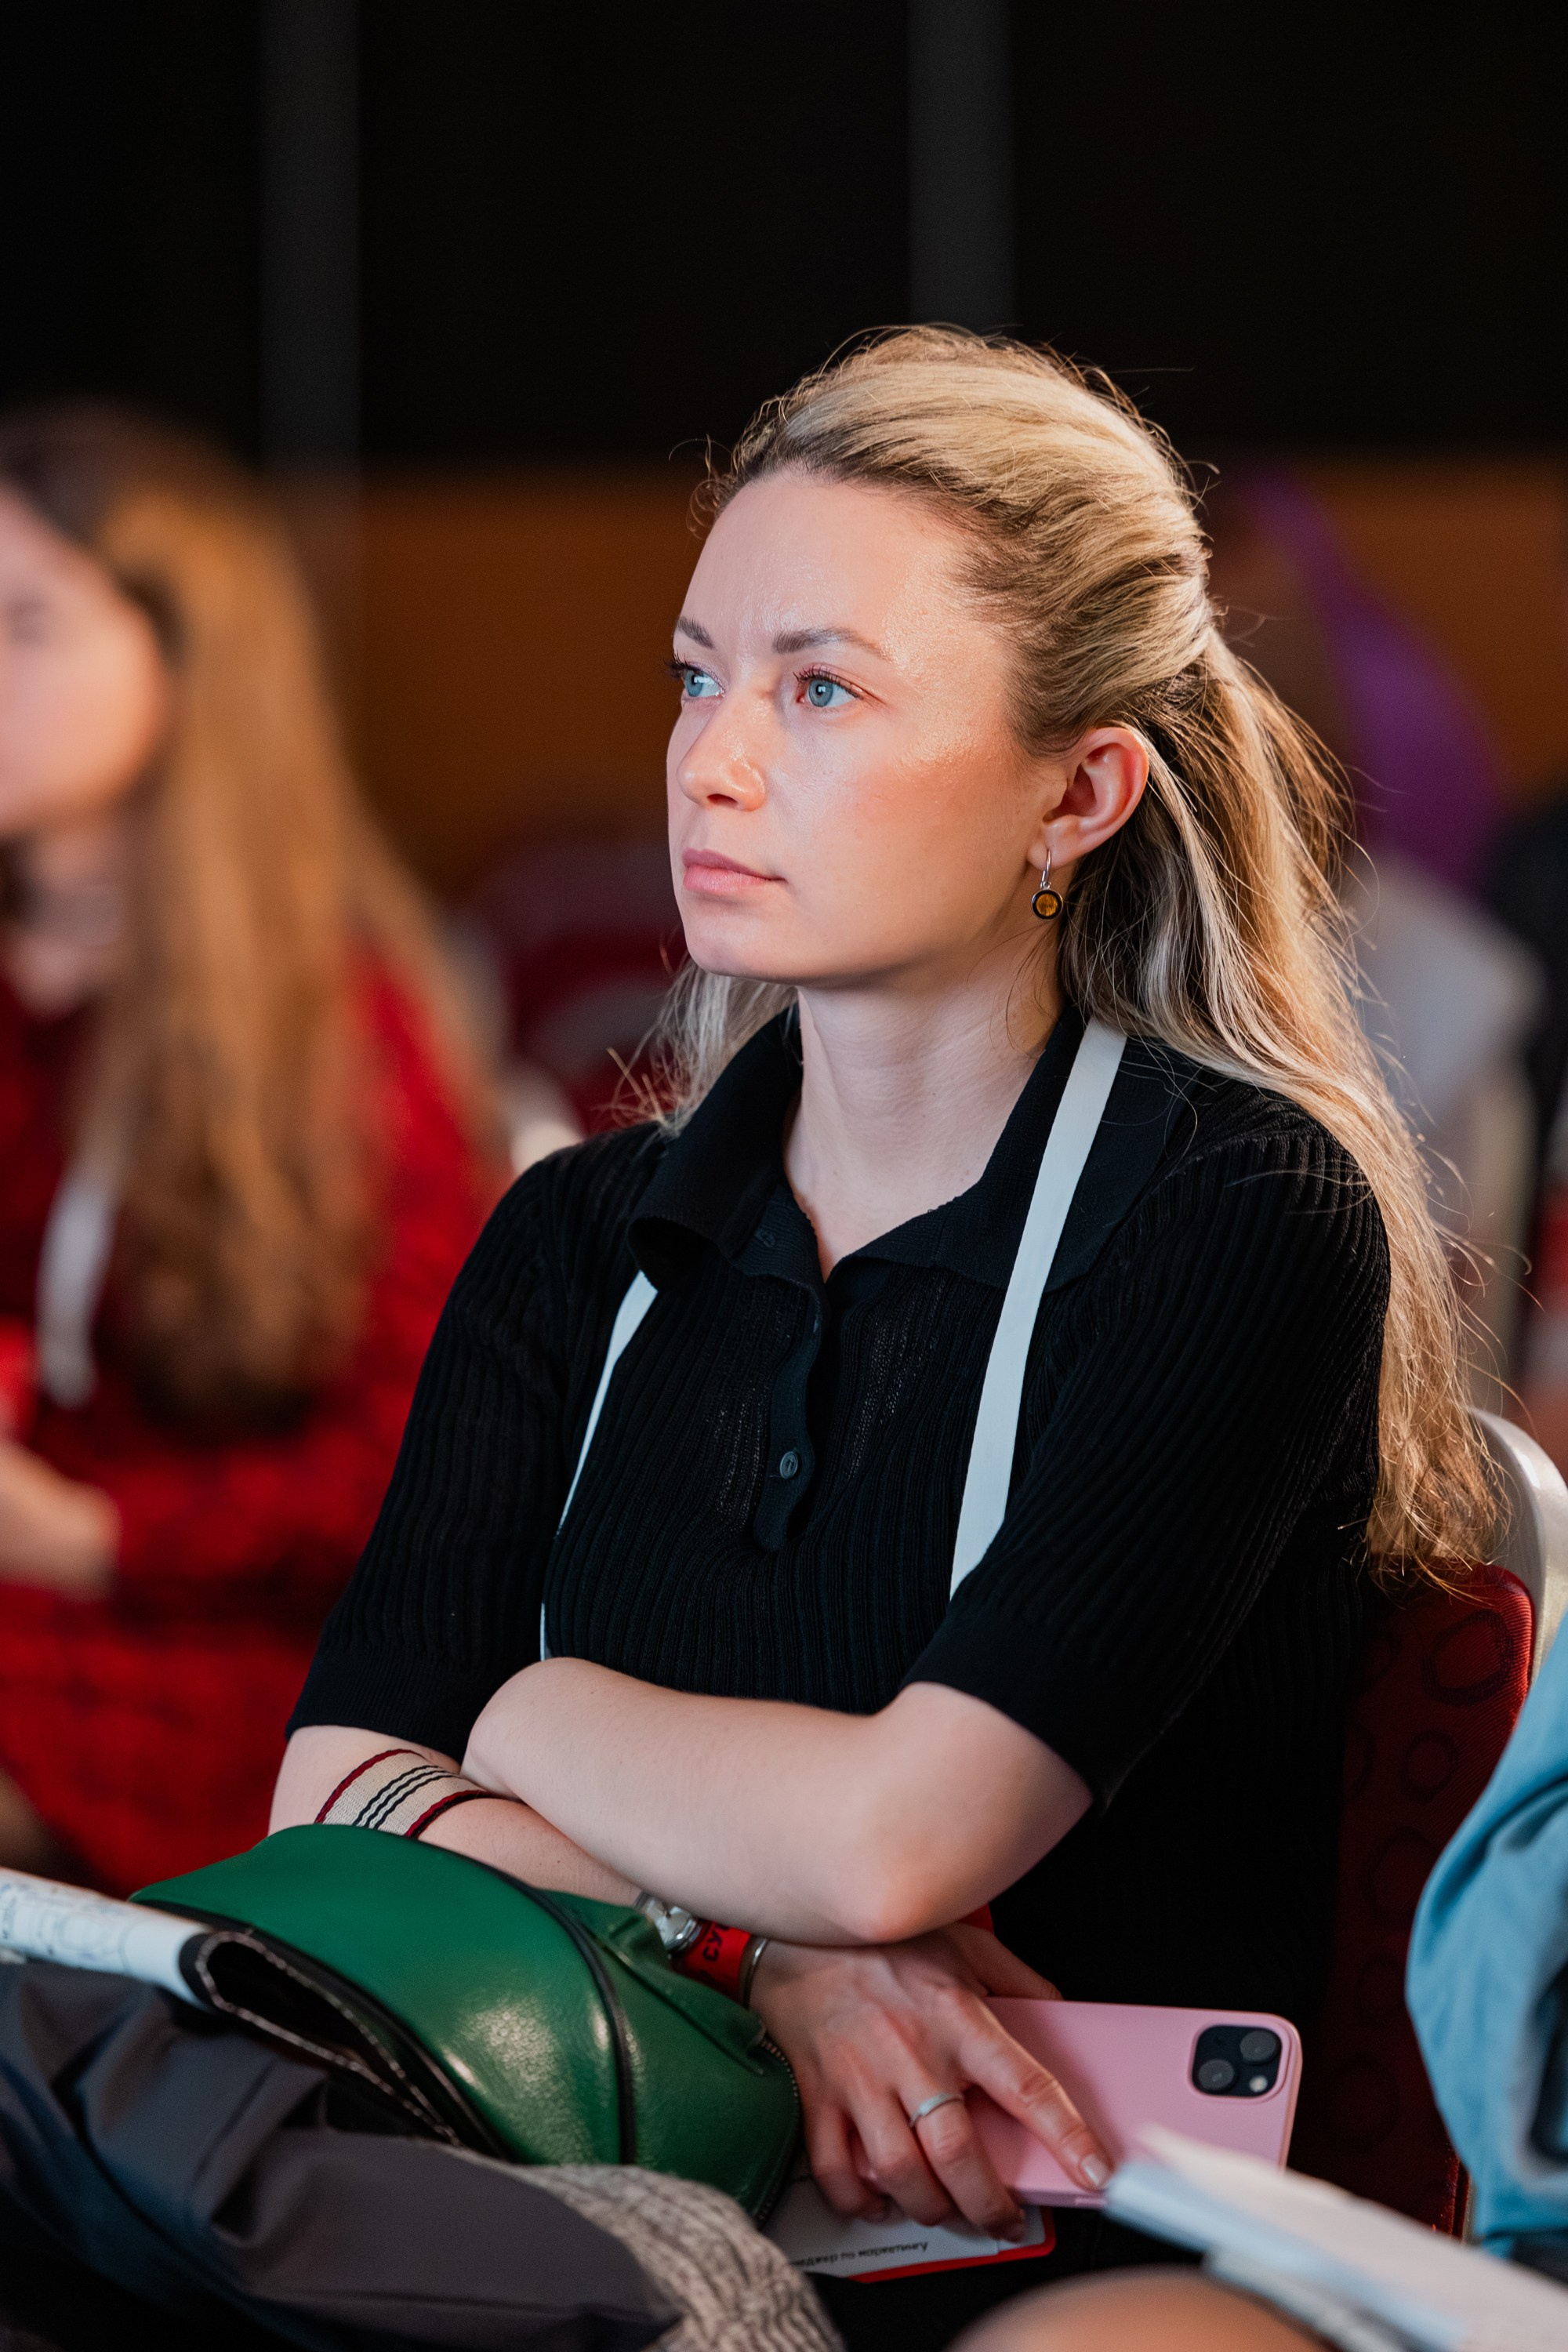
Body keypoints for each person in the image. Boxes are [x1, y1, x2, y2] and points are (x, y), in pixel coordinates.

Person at [274, 331, 1490, 2350]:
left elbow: (907, 1825)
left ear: (1075, 791)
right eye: (697, 676)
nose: (712, 759)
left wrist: (520, 1726)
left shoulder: (1237, 1213)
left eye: (818, 689)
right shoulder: (578, 1235)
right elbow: (333, 1787)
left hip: (1075, 2230)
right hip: (611, 2172)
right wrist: (765, 1960)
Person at [0, 407, 498, 1895]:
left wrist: (92, 1534)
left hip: (204, 1652)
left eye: (26, 623)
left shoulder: (334, 1022)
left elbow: (412, 1468)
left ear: (185, 666)